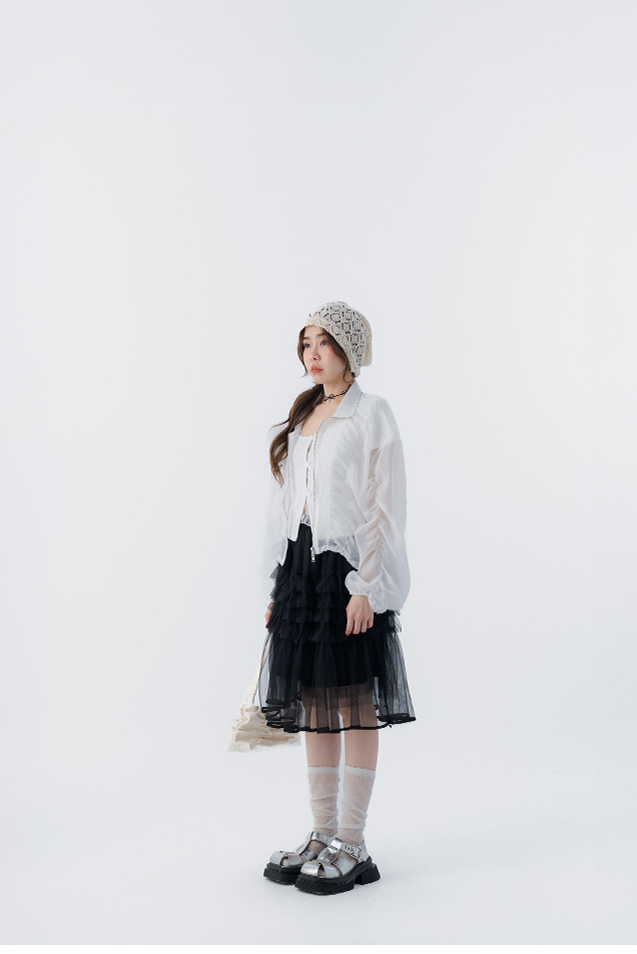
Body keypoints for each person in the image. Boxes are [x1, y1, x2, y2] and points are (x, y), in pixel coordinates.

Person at [257, 301, 416, 896]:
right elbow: (285, 505)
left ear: (350, 350)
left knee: (354, 701)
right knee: (315, 701)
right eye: (306, 344)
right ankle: (323, 833)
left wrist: (367, 586)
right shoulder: (305, 414)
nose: (312, 354)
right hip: (303, 569)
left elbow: (383, 503)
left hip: (347, 570)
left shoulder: (371, 413)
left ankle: (353, 841)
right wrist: (278, 585)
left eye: (323, 342)